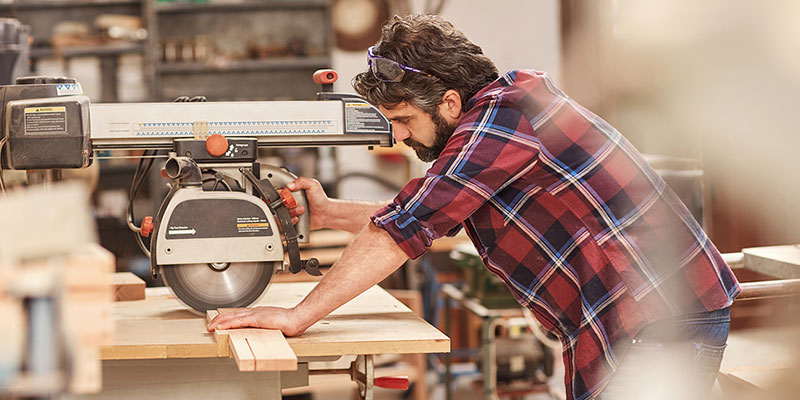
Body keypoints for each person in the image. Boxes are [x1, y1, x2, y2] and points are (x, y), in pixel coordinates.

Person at [207, 14, 740, 400]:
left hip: (662, 317)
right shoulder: (500, 118)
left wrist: (299, 314)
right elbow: (420, 212)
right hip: (629, 317)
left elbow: (404, 227)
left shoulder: (506, 116)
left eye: (402, 120)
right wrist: (327, 214)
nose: (397, 136)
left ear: (450, 102)